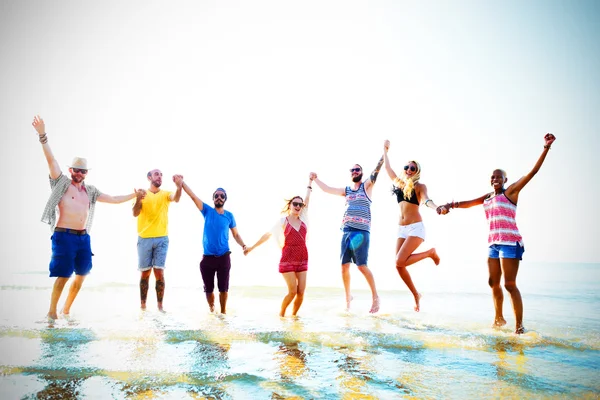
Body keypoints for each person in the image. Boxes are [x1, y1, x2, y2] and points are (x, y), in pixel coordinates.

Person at [437, 133, 557, 334]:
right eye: (492, 176)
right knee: (493, 282)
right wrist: (450, 205)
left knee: (509, 284)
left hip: (510, 243)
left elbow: (533, 172)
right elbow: (469, 203)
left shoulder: (510, 192)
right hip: (493, 244)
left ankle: (519, 327)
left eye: (499, 176)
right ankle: (498, 319)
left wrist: (546, 148)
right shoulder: (488, 197)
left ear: (505, 180)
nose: (495, 179)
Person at [32, 115, 142, 322]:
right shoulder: (61, 184)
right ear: (70, 170)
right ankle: (51, 312)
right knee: (63, 275)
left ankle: (66, 310)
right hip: (63, 236)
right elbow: (51, 161)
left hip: (83, 238)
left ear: (86, 173)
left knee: (82, 275)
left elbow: (114, 199)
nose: (80, 174)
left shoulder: (90, 191)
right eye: (77, 170)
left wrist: (134, 195)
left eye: (83, 171)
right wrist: (42, 135)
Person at [310, 155, 384, 313]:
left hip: (361, 232)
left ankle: (375, 297)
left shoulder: (367, 187)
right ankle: (348, 298)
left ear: (362, 173)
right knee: (344, 267)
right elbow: (327, 189)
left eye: (357, 169)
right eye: (352, 170)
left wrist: (383, 154)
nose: (355, 171)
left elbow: (376, 172)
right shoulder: (347, 191)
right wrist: (315, 179)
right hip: (347, 231)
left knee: (362, 266)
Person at [383, 140, 441, 312]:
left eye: (412, 168)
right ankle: (416, 294)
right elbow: (388, 169)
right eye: (407, 167)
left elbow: (427, 200)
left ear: (417, 172)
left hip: (416, 228)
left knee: (400, 260)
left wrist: (436, 207)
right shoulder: (400, 184)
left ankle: (430, 252)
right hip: (401, 229)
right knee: (398, 265)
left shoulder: (419, 186)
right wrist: (385, 150)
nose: (409, 170)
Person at [244, 176, 314, 317]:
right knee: (292, 291)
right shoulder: (283, 221)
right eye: (295, 204)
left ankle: (294, 317)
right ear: (290, 205)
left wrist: (310, 182)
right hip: (287, 257)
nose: (298, 206)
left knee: (301, 292)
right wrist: (251, 247)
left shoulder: (304, 217)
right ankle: (281, 315)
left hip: (302, 257)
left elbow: (307, 198)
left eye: (300, 205)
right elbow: (267, 235)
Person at [181, 182, 247, 314]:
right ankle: (212, 311)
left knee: (223, 288)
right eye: (216, 195)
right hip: (208, 258)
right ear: (213, 198)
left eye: (222, 196)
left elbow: (236, 234)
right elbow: (193, 197)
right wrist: (182, 183)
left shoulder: (229, 216)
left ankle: (223, 313)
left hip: (224, 256)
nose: (219, 197)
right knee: (209, 289)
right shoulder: (207, 211)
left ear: (225, 199)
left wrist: (243, 245)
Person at [132, 169, 183, 311]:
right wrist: (138, 199)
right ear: (149, 177)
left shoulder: (165, 194)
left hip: (162, 238)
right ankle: (143, 306)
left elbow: (176, 198)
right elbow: (135, 213)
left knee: (159, 272)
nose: (159, 177)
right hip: (144, 239)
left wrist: (179, 187)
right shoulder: (142, 193)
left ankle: (160, 307)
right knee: (145, 273)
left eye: (161, 175)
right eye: (156, 174)